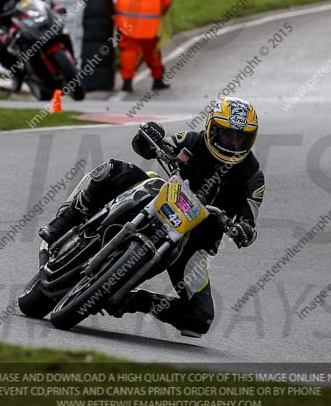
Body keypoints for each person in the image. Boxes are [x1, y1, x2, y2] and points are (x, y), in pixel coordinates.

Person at [39, 96, 265, 338]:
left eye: (240, 137)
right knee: (114, 169)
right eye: (227, 134)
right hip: (161, 202)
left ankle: (133, 301)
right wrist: (150, 136)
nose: (233, 142)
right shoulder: (193, 141)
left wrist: (244, 230)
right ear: (212, 128)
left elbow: (250, 220)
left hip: (194, 242)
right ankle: (67, 218)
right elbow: (149, 146)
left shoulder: (253, 176)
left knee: (201, 318)